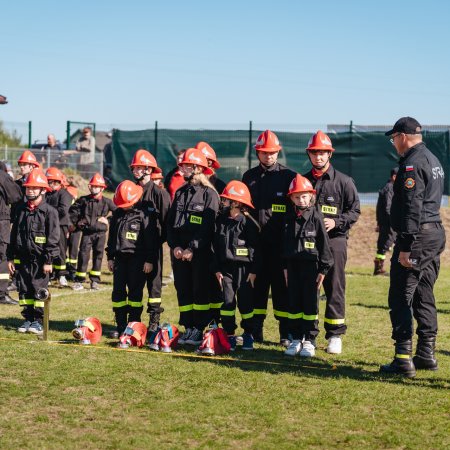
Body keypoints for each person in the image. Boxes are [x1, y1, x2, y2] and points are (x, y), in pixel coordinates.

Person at [380, 117, 446, 377]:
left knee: (400, 295)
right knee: (423, 293)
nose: (393, 143)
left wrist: (405, 246)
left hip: (417, 237)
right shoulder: (432, 158)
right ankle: (426, 354)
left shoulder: (411, 164)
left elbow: (411, 208)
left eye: (393, 138)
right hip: (434, 233)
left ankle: (403, 359)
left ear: (403, 136)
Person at [303, 130, 360, 354]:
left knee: (334, 287)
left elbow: (355, 211)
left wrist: (336, 222)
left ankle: (335, 335)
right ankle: (309, 335)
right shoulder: (302, 181)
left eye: (323, 153)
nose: (318, 157)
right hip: (308, 244)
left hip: (335, 242)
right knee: (309, 288)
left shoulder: (344, 182)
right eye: (315, 153)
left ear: (330, 155)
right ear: (309, 154)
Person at [242, 130, 296, 346]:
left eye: (272, 152)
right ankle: (256, 330)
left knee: (282, 288)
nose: (269, 156)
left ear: (278, 152)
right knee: (257, 288)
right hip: (255, 246)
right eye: (264, 153)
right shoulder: (249, 177)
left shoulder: (289, 177)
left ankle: (285, 332)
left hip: (281, 246)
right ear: (258, 153)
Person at [166, 148, 220, 346]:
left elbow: (208, 227)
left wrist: (192, 248)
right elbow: (170, 224)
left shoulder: (210, 195)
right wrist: (175, 246)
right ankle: (188, 326)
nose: (182, 169)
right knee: (183, 289)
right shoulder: (180, 192)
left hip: (200, 253)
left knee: (199, 290)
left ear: (197, 168)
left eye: (186, 166)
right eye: (182, 165)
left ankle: (199, 327)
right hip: (180, 253)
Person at [283, 174, 333, 357]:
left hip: (311, 269)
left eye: (304, 196)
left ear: (311, 196)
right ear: (291, 198)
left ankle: (310, 340)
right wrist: (285, 268)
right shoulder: (288, 218)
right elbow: (284, 244)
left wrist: (323, 270)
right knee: (294, 302)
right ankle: (296, 338)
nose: (301, 200)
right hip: (293, 267)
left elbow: (324, 246)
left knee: (311, 304)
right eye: (297, 196)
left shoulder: (317, 217)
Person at [7, 169, 60, 335]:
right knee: (24, 290)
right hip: (22, 260)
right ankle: (28, 319)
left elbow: (53, 238)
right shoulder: (21, 210)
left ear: (43, 190)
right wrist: (10, 258)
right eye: (28, 187)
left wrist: (49, 260)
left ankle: (38, 321)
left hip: (40, 261)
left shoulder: (50, 212)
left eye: (34, 188)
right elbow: (13, 235)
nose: (30, 190)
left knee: (38, 290)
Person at [212, 180, 261, 351]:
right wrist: (217, 269)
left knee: (246, 304)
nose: (224, 202)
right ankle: (229, 334)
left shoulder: (249, 223)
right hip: (226, 270)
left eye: (227, 199)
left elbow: (256, 250)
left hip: (245, 270)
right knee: (227, 302)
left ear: (237, 203)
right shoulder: (221, 221)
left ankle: (248, 334)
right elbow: (215, 248)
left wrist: (254, 272)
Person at [106, 180, 157, 338]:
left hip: (138, 260)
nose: (123, 206)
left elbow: (151, 239)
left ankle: (133, 324)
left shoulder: (144, 215)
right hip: (120, 260)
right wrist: (110, 257)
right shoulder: (117, 214)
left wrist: (149, 260)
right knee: (118, 294)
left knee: (135, 294)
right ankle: (120, 325)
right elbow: (112, 237)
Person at [130, 149, 170, 337]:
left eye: (139, 167)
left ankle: (154, 322)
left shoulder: (159, 194)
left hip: (153, 248)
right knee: (135, 285)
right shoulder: (132, 191)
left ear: (148, 169)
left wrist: (154, 248)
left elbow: (166, 222)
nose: (135, 170)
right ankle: (134, 321)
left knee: (154, 287)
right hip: (134, 249)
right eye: (135, 167)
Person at [195, 141, 226, 322]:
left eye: (204, 160)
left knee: (216, 285)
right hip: (196, 244)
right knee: (198, 286)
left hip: (215, 244)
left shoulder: (220, 186)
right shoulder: (191, 187)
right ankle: (198, 324)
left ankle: (216, 323)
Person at [70, 173, 116, 290]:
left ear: (102, 188)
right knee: (83, 255)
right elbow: (73, 211)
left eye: (96, 186)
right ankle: (79, 281)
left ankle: (95, 281)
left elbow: (118, 213)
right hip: (87, 234)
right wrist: (77, 223)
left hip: (101, 234)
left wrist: (108, 220)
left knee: (98, 256)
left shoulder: (107, 202)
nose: (94, 188)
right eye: (92, 186)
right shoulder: (83, 200)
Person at [45, 167, 73, 287]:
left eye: (50, 181)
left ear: (57, 182)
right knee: (49, 249)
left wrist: (48, 212)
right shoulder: (47, 194)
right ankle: (50, 274)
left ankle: (62, 275)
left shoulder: (64, 194)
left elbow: (63, 210)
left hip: (61, 226)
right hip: (48, 225)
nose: (49, 184)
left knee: (61, 250)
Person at [0, 161, 22, 305]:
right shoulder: (2, 176)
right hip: (1, 220)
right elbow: (16, 196)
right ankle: (2, 294)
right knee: (2, 255)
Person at [374, 167, 398, 275]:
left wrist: (378, 222)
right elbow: (388, 208)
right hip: (389, 223)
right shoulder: (390, 188)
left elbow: (379, 208)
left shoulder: (388, 187)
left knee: (385, 244)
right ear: (394, 177)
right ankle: (379, 269)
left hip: (385, 222)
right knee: (385, 245)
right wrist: (393, 222)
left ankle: (380, 268)